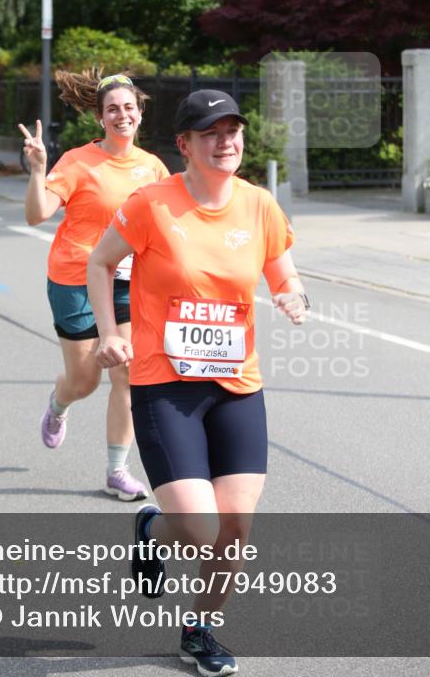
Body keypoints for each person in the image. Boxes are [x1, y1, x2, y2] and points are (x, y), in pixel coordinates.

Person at [88, 89, 310, 675]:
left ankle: (200, 628)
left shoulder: (259, 205)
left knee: (234, 526)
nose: (225, 141)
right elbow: (100, 262)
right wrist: (109, 332)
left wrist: (293, 296)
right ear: (184, 145)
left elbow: (284, 274)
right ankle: (153, 528)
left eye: (232, 130)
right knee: (196, 528)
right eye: (210, 133)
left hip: (237, 385)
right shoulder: (151, 204)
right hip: (165, 383)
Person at [19, 69, 170, 500]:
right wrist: (37, 170)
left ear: (139, 112)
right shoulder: (77, 162)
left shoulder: (152, 167)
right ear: (100, 118)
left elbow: (164, 226)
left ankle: (116, 471)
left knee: (127, 373)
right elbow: (36, 214)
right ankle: (59, 403)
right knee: (85, 380)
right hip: (74, 278)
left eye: (129, 107)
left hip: (126, 280)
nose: (122, 116)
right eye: (112, 110)